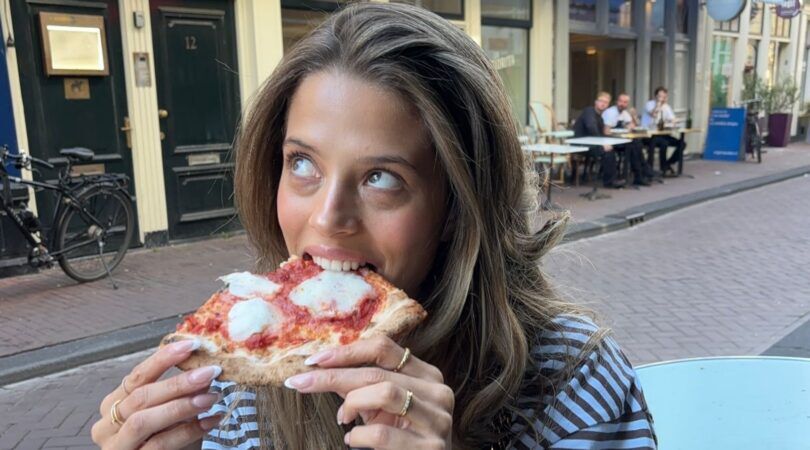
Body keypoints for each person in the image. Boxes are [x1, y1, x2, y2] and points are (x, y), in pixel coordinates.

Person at [91, 4, 657, 449]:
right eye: (303, 164)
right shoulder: (235, 390)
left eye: (382, 178)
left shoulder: (572, 379)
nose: (327, 217)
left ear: (457, 207)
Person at [572, 92, 626, 188]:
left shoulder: (600, 117)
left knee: (626, 145)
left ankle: (633, 174)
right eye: (601, 101)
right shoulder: (589, 111)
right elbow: (591, 127)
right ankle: (609, 181)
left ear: (608, 105)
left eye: (606, 102)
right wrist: (602, 143)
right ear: (596, 102)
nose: (603, 104)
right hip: (580, 145)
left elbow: (601, 133)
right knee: (608, 152)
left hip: (591, 143)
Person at [602, 93, 654, 186]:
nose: (622, 104)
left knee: (636, 144)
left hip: (622, 140)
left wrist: (634, 116)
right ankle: (641, 173)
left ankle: (640, 173)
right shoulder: (611, 112)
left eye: (625, 102)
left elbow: (634, 126)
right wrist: (621, 131)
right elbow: (606, 131)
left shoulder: (624, 113)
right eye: (620, 101)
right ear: (616, 101)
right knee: (634, 145)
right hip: (609, 140)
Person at [642, 87, 686, 176]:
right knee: (663, 143)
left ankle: (667, 163)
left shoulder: (667, 107)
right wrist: (658, 104)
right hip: (649, 134)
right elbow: (654, 114)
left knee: (682, 144)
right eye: (660, 96)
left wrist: (673, 122)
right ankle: (652, 169)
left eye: (664, 97)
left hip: (662, 134)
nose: (662, 99)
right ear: (655, 96)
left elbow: (672, 119)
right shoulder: (649, 104)